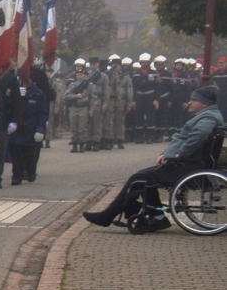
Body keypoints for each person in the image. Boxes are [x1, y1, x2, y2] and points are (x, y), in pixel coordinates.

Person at [84, 86, 223, 229]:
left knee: (139, 178)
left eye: (194, 100)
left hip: (188, 166)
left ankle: (114, 214)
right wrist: (166, 154)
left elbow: (199, 136)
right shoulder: (208, 115)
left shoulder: (208, 118)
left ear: (205, 103)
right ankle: (147, 214)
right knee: (141, 177)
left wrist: (181, 155)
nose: (189, 103)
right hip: (187, 163)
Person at [7, 79, 47, 186]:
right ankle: (17, 175)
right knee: (16, 153)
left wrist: (40, 129)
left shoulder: (38, 93)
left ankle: (30, 171)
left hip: (31, 127)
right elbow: (8, 107)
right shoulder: (14, 92)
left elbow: (42, 113)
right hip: (17, 127)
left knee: (29, 154)